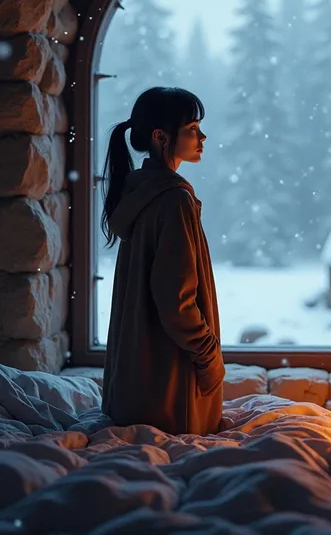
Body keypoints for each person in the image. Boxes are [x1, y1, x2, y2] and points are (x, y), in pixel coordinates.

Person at [100, 86, 225, 435]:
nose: (202, 136)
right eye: (192, 129)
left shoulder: (138, 190)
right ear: (160, 136)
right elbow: (176, 299)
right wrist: (209, 358)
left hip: (134, 392)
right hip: (171, 399)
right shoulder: (173, 200)